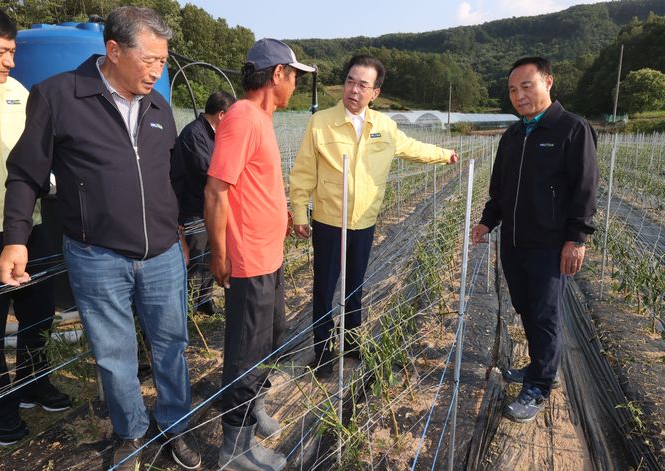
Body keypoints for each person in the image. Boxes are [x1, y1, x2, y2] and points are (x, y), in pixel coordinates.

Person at [0, 7, 200, 470]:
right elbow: (25, 174)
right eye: (149, 60)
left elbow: (170, 180)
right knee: (114, 354)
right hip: (96, 255)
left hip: (163, 255)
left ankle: (174, 426)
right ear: (112, 50)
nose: (158, 70)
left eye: (163, 61)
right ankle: (132, 433)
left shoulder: (159, 107)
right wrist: (16, 238)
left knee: (172, 344)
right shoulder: (58, 96)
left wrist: (179, 233)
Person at [289, 54, 459, 378]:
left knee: (355, 286)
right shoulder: (321, 122)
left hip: (364, 223)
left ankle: (352, 347)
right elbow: (303, 172)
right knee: (324, 289)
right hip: (328, 221)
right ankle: (323, 352)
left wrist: (444, 155)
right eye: (350, 81)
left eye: (362, 85)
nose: (353, 89)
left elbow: (413, 148)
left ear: (375, 93)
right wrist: (299, 211)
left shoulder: (384, 127)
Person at [205, 38, 314, 470]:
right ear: (277, 76)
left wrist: (279, 212)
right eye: (294, 77)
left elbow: (254, 183)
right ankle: (235, 448)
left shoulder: (263, 118)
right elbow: (216, 190)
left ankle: (252, 411)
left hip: (271, 255)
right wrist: (218, 254)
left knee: (271, 339)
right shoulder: (242, 117)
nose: (296, 86)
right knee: (245, 353)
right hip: (249, 261)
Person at [470, 57, 598, 423]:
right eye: (513, 89)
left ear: (548, 83)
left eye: (527, 85)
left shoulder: (572, 129)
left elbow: (585, 190)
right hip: (512, 240)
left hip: (549, 242)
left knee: (544, 313)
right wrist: (487, 222)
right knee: (525, 306)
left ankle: (540, 384)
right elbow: (500, 189)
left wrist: (577, 238)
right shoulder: (513, 135)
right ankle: (539, 366)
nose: (519, 95)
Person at [0, 0, 71, 447]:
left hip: (28, 223)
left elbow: (39, 154)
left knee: (38, 310)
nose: (11, 60)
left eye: (13, 51)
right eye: (0, 51)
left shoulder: (19, 93)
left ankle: (34, 382)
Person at [178, 90, 236, 315]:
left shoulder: (213, 134)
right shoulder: (195, 134)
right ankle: (189, 307)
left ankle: (204, 301)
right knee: (196, 257)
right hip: (194, 208)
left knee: (210, 254)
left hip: (209, 208)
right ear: (221, 115)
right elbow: (208, 170)